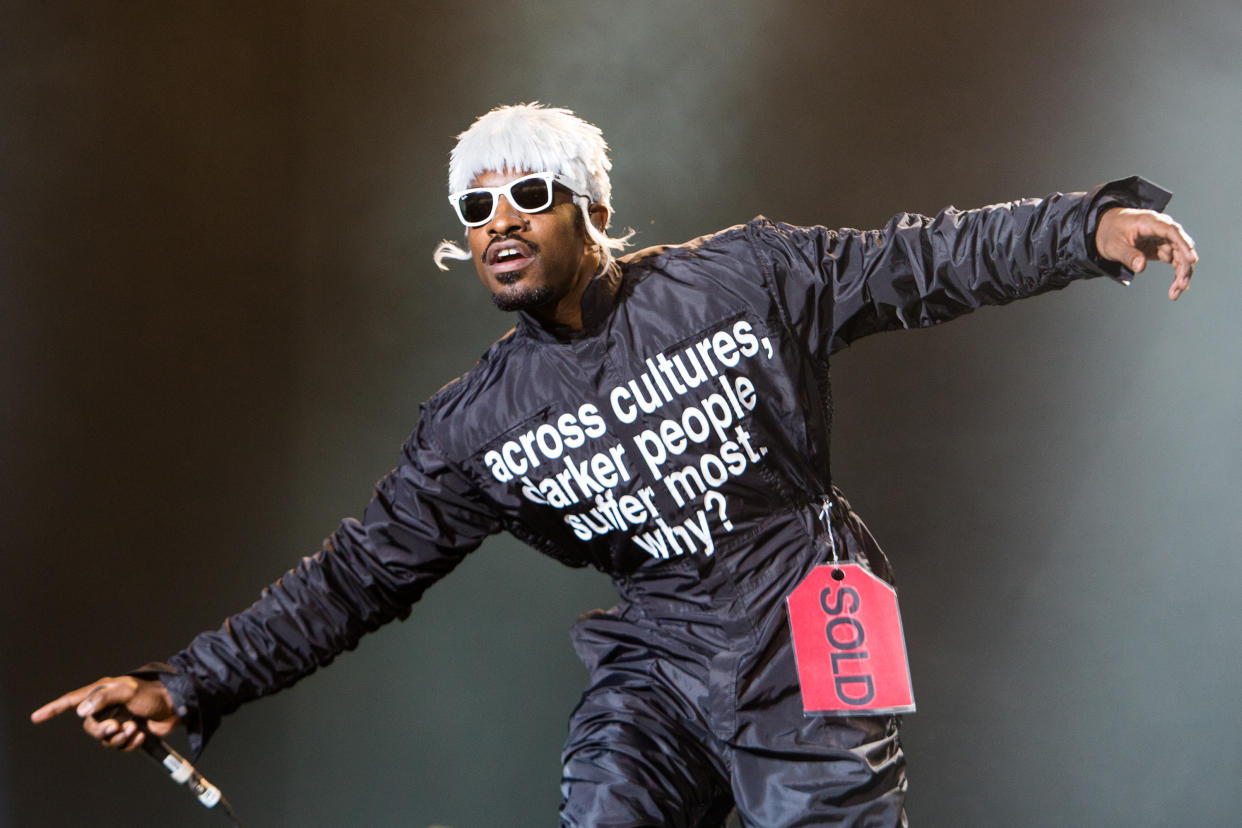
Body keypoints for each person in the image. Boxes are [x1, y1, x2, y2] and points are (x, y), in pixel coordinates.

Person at [32, 103, 1197, 827]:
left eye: (528, 193)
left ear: (593, 209)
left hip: (810, 629)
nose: (498, 216)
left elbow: (921, 258)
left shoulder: (742, 279)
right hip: (657, 664)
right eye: (475, 201)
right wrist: (188, 683)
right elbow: (353, 578)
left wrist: (1086, 227)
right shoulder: (475, 424)